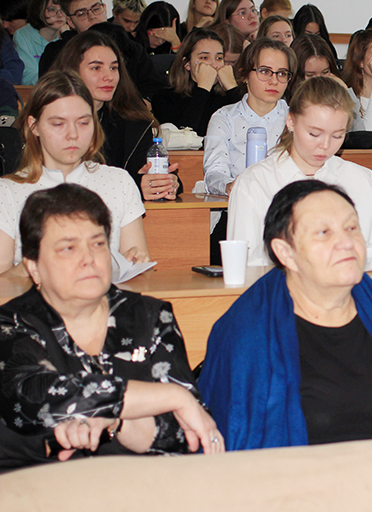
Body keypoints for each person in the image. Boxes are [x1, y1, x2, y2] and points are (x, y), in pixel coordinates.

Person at [200, 179, 372, 449]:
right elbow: (232, 443)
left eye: (351, 228)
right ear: (285, 252)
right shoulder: (247, 334)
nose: (346, 242)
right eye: (324, 232)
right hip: (297, 474)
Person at [0, 184, 222, 470]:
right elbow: (36, 397)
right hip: (33, 485)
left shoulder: (149, 316)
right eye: (68, 248)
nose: (88, 259)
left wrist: (116, 421)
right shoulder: (11, 323)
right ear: (33, 267)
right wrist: (173, 396)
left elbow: (187, 435)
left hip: (138, 484)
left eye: (98, 244)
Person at [228, 75, 372, 265]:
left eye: (337, 136)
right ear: (291, 121)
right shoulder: (254, 182)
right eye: (314, 134)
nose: (325, 145)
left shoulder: (363, 180)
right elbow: (245, 265)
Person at [0, 71, 149, 274]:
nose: (73, 134)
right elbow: (3, 280)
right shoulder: (7, 191)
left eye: (83, 122)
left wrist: (136, 261)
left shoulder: (119, 181)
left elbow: (137, 263)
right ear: (34, 126)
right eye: (58, 124)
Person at [52, 31, 179, 200]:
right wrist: (132, 185)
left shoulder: (134, 122)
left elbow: (154, 172)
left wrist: (166, 182)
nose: (109, 77)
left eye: (113, 68)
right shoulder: (52, 122)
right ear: (72, 71)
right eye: (96, 68)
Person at [38, 0, 167, 99]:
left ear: (104, 9)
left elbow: (153, 89)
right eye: (81, 14)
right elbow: (49, 94)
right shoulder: (57, 52)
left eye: (96, 9)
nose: (92, 16)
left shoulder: (132, 48)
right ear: (70, 22)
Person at [203, 37, 292, 196]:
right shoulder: (224, 118)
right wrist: (230, 185)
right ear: (244, 75)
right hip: (238, 202)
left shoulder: (298, 119)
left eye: (282, 73)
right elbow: (214, 172)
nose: (274, 81)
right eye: (264, 71)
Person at [150, 28, 242, 136]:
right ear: (187, 64)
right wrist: (203, 89)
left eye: (219, 58)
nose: (214, 65)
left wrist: (232, 87)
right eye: (204, 57)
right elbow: (182, 136)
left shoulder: (230, 96)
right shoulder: (164, 98)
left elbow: (249, 130)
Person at [13, 0, 66, 85]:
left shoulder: (67, 36)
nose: (59, 15)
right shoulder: (23, 35)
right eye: (52, 10)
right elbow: (27, 77)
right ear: (39, 10)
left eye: (63, 9)